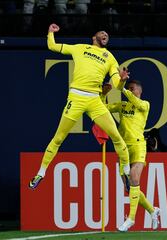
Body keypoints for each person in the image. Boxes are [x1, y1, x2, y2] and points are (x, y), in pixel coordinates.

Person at [29, 23, 130, 189]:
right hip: (76, 97)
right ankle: (40, 173)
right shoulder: (80, 48)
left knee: (117, 136)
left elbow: (117, 85)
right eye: (102, 32)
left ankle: (126, 172)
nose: (106, 35)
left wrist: (123, 80)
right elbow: (52, 46)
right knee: (59, 138)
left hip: (95, 100)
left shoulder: (109, 57)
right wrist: (50, 32)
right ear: (94, 37)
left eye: (108, 35)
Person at [101, 80, 160, 232]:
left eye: (132, 89)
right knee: (130, 187)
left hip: (139, 146)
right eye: (128, 89)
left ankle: (131, 219)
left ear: (139, 91)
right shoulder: (122, 106)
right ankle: (153, 210)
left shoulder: (145, 105)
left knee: (134, 178)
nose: (129, 91)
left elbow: (135, 101)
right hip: (123, 148)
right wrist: (104, 93)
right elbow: (102, 109)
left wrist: (121, 88)